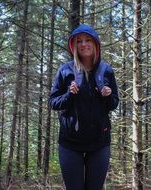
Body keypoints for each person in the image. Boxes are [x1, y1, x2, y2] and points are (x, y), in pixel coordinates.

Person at [49, 24, 119, 190]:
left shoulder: (106, 70)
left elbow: (114, 103)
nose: (83, 44)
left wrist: (108, 95)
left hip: (99, 142)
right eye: (79, 41)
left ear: (95, 44)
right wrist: (69, 95)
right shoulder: (65, 70)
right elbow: (53, 102)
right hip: (70, 143)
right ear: (74, 45)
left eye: (88, 40)